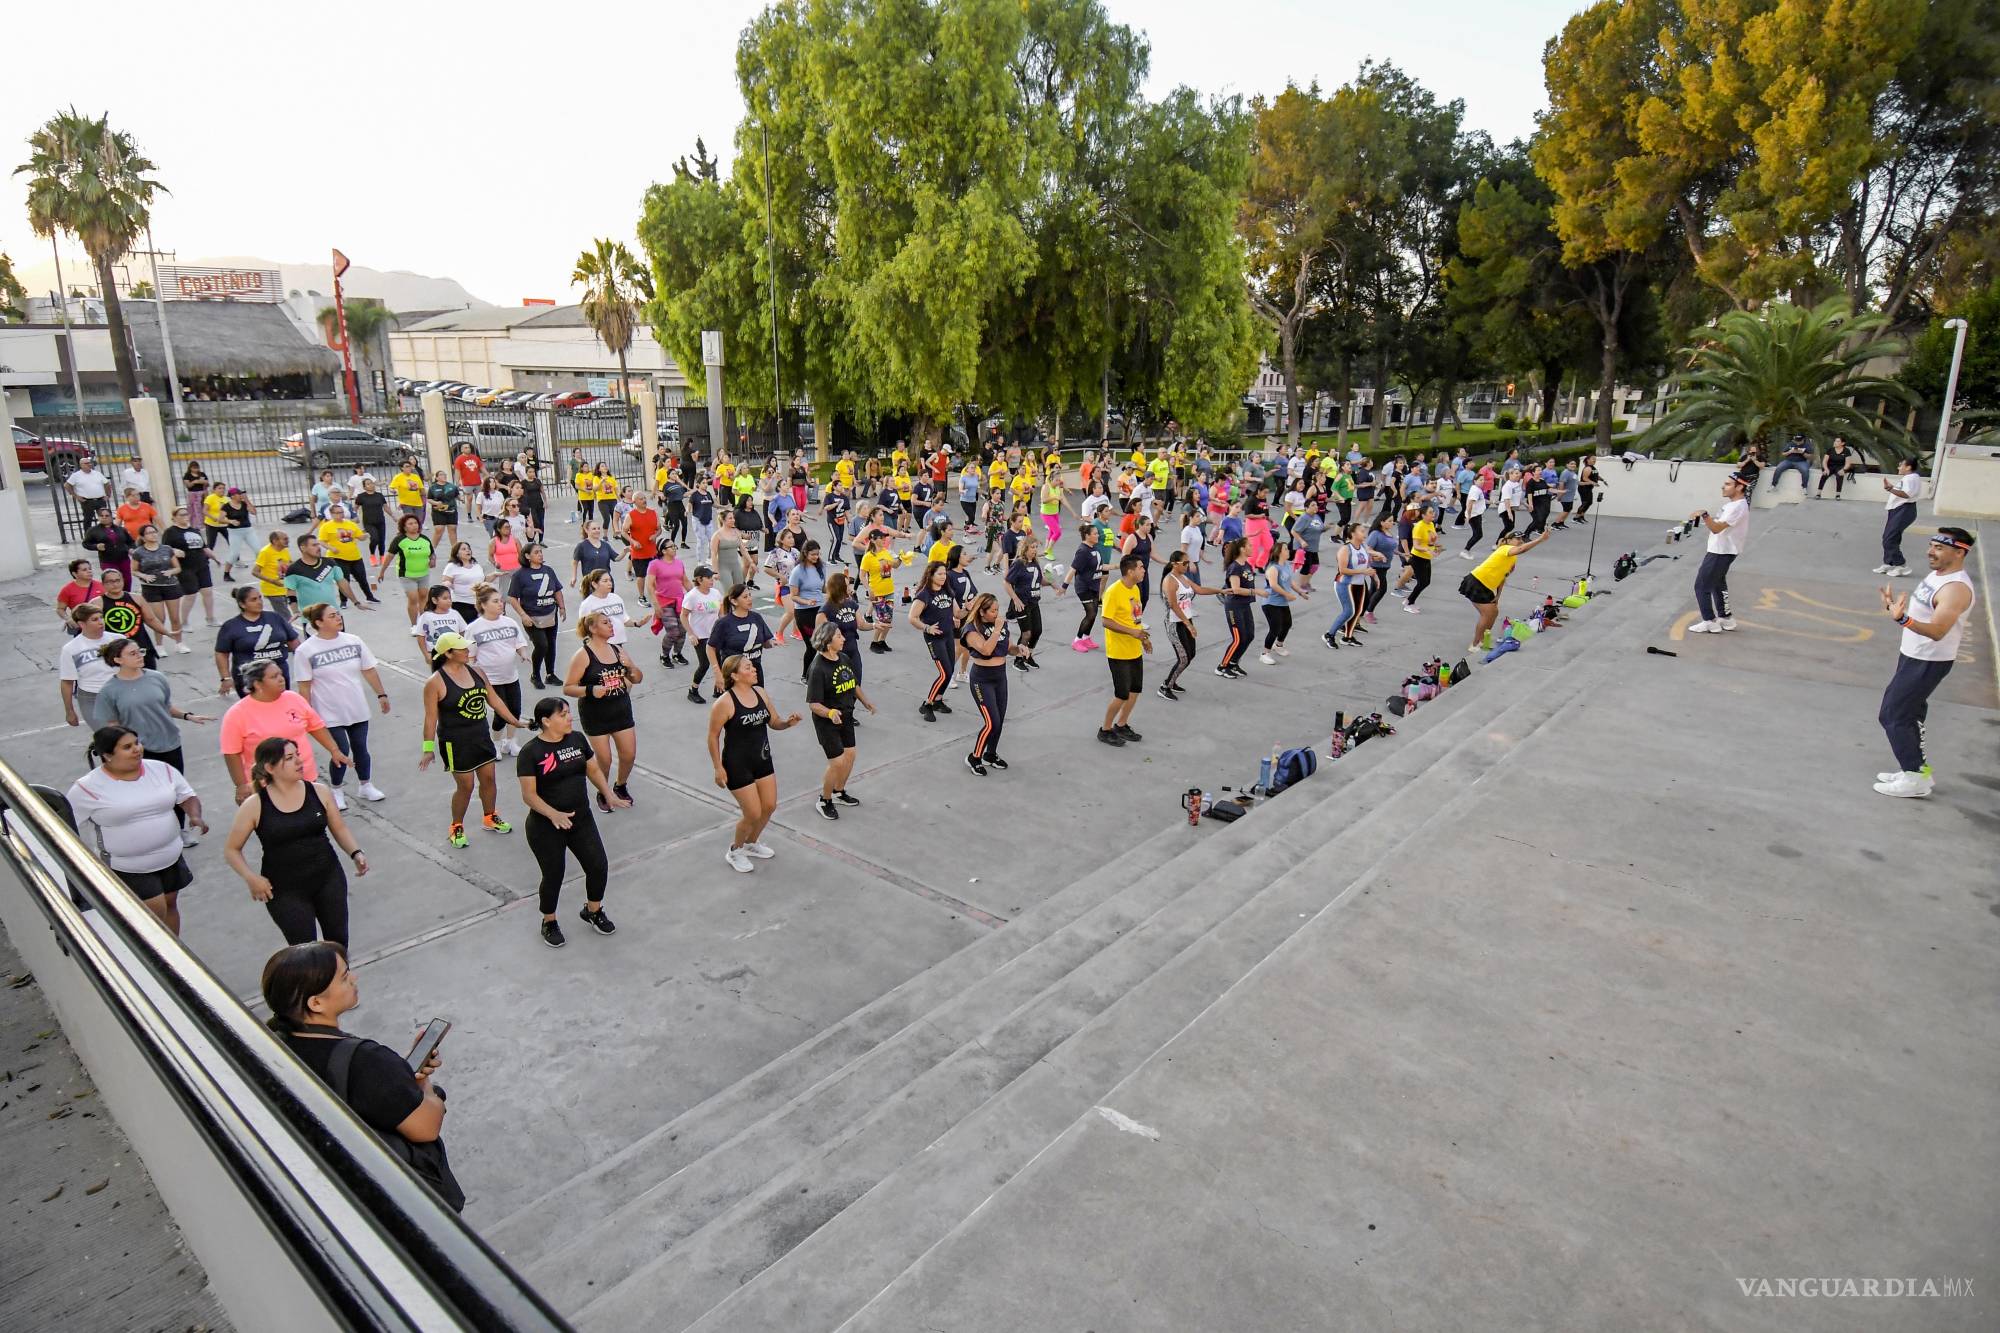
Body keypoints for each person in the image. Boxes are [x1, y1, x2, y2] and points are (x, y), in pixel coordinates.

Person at [260, 942, 460, 1212]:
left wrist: (398, 1075)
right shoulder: (366, 1061)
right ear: (316, 1003)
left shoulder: (274, 1044)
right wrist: (423, 1085)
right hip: (398, 1198)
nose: (354, 978)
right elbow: (426, 1126)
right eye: (344, 977)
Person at [223, 736, 364, 945]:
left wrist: (356, 853)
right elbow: (231, 850)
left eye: (297, 755)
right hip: (285, 889)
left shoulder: (319, 791)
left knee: (338, 942)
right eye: (289, 758)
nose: (299, 761)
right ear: (270, 767)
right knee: (304, 949)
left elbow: (339, 828)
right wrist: (251, 878)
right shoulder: (255, 805)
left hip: (328, 878)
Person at [66, 726, 205, 935]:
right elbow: (67, 823)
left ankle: (173, 953)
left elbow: (187, 796)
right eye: (127, 747)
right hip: (128, 866)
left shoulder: (162, 770)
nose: (137, 749)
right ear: (107, 755)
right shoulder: (87, 788)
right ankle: (156, 958)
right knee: (154, 911)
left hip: (170, 857)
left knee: (170, 903)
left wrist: (195, 816)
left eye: (137, 743)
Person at [1874, 528, 1977, 798]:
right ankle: (1916, 769)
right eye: (1931, 545)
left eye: (1940, 548)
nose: (1931, 552)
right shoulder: (1938, 575)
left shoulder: (1955, 588)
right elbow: (1924, 613)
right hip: (1912, 655)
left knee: (1893, 715)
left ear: (1960, 552)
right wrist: (1896, 610)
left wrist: (1902, 620)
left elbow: (1938, 630)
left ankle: (1915, 777)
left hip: (1928, 661)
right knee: (1909, 714)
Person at [517, 697, 627, 947]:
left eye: (568, 713)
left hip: (581, 818)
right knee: (554, 875)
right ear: (546, 721)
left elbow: (593, 770)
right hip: (546, 826)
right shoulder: (531, 752)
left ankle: (593, 910)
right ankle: (549, 921)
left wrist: (608, 794)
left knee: (598, 865)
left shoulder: (577, 739)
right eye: (563, 714)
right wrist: (553, 814)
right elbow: (529, 795)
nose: (569, 718)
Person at [420, 631, 523, 849]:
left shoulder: (477, 672)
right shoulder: (435, 682)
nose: (468, 651)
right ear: (448, 653)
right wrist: (427, 749)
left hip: (480, 735)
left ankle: (489, 816)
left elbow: (494, 699)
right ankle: (456, 826)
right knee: (465, 786)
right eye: (462, 648)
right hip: (455, 741)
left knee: (489, 780)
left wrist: (515, 721)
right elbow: (430, 719)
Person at [707, 653, 801, 872]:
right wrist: (717, 768)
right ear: (736, 676)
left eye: (753, 667)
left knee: (768, 807)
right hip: (736, 763)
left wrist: (787, 723)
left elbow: (774, 722)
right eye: (748, 668)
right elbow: (713, 736)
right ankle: (735, 850)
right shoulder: (725, 702)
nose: (754, 670)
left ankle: (751, 844)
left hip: (762, 758)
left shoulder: (760, 692)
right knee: (752, 813)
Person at [293, 603, 390, 808]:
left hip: (356, 707)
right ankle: (336, 790)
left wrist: (381, 694)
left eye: (338, 614)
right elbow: (304, 685)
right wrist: (307, 714)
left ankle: (366, 784)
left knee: (360, 748)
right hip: (328, 711)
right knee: (340, 750)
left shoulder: (354, 641)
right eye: (332, 616)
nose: (338, 618)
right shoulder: (306, 650)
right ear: (318, 623)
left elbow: (369, 670)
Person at [96, 637, 211, 788]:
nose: (139, 656)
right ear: (118, 660)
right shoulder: (108, 691)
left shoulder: (157, 677)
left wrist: (188, 716)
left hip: (170, 743)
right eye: (132, 653)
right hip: (140, 749)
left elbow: (165, 706)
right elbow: (112, 724)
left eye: (140, 651)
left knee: (174, 788)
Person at [562, 610, 641, 808]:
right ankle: (603, 791)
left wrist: (630, 666)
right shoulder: (583, 656)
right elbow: (568, 687)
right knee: (604, 760)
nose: (611, 626)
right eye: (606, 623)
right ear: (593, 628)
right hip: (596, 715)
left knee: (628, 755)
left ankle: (620, 786)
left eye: (611, 622)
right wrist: (590, 690)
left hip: (621, 709)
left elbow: (637, 678)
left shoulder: (617, 650)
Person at [805, 620, 874, 812]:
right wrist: (830, 713)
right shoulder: (818, 668)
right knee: (837, 762)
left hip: (846, 716)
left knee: (850, 755)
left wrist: (865, 701)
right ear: (828, 642)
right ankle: (824, 800)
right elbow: (814, 704)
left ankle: (838, 791)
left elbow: (853, 683)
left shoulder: (843, 658)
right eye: (838, 636)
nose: (843, 639)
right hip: (827, 721)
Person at [957, 593, 1025, 776]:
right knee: (991, 722)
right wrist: (996, 630)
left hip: (1000, 677)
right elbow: (986, 650)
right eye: (993, 611)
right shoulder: (971, 630)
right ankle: (975, 757)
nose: (997, 613)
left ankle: (990, 754)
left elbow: (1008, 648)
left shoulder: (1000, 626)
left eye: (997, 610)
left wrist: (1019, 649)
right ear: (982, 612)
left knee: (999, 720)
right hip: (982, 679)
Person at [1459, 528, 1553, 653]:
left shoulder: (1512, 558)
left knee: (1494, 612)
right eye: (1517, 538)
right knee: (1486, 614)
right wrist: (1540, 539)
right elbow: (1522, 549)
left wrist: (1498, 596)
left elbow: (1503, 577)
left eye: (1521, 539)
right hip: (1476, 582)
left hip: (1486, 585)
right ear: (1508, 540)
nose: (1520, 541)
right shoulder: (1505, 549)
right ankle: (1475, 643)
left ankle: (1483, 638)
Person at [467, 586, 531, 758]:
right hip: (491, 680)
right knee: (501, 714)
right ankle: (495, 743)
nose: (500, 604)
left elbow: (519, 643)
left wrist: (523, 654)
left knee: (515, 710)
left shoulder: (509, 623)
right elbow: (470, 657)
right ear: (483, 604)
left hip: (511, 676)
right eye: (495, 601)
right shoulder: (475, 628)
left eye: (500, 601)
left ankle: (510, 742)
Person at [1686, 472, 1751, 635]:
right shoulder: (1735, 505)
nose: (1723, 486)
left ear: (1740, 487)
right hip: (1724, 550)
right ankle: (1726, 618)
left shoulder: (1737, 507)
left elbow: (1716, 529)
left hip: (1721, 552)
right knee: (1717, 583)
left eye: (1728, 484)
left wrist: (1704, 515)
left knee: (1701, 585)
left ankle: (1709, 621)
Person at [1097, 554, 1149, 745]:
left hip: (1134, 649)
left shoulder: (1134, 589)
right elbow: (1105, 621)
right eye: (1141, 567)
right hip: (1118, 651)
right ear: (1130, 571)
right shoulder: (1113, 592)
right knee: (1121, 694)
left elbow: (1135, 618)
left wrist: (1142, 638)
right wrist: (1131, 632)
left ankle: (1122, 724)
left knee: (1135, 690)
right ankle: (1105, 729)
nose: (1144, 570)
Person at [215, 585, 301, 698]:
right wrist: (226, 678)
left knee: (281, 707)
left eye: (260, 598)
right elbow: (221, 653)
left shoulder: (275, 618)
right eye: (253, 599)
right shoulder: (231, 626)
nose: (259, 602)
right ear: (242, 604)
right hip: (250, 678)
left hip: (278, 674)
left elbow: (294, 643)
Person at [508, 543, 567, 688]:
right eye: (536, 552)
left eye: (541, 552)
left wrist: (562, 606)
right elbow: (512, 597)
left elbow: (557, 590)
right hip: (532, 616)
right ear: (527, 556)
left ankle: (550, 674)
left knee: (551, 644)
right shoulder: (519, 575)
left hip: (549, 613)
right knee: (542, 645)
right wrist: (523, 615)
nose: (540, 554)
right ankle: (535, 675)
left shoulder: (549, 571)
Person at [1158, 550, 1214, 699]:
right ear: (1174, 564)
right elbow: (1173, 605)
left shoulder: (1183, 578)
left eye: (1188, 562)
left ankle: (1172, 681)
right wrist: (1188, 625)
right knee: (1183, 658)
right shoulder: (1169, 580)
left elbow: (1200, 590)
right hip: (1174, 623)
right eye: (1185, 563)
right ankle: (1165, 687)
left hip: (1186, 620)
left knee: (1191, 654)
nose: (1187, 565)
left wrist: (1221, 590)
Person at [59, 602, 126, 729]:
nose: (101, 622)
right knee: (108, 737)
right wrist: (69, 711)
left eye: (101, 617)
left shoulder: (118, 640)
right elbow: (67, 682)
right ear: (82, 624)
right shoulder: (71, 649)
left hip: (122, 693)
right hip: (92, 698)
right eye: (94, 619)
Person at [908, 562, 958, 722]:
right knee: (945, 673)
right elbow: (912, 618)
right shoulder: (924, 594)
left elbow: (958, 613)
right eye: (940, 574)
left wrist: (967, 609)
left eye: (945, 574)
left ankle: (938, 700)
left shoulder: (948, 591)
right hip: (934, 639)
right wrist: (927, 628)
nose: (944, 577)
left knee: (950, 671)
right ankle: (927, 704)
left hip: (948, 635)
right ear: (931, 575)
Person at [163, 505, 218, 628]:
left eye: (186, 514)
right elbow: (165, 548)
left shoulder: (194, 530)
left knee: (207, 591)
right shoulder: (170, 532)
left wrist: (214, 558)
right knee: (191, 594)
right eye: (181, 515)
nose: (185, 517)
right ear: (174, 518)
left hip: (202, 564)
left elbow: (203, 547)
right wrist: (174, 551)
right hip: (185, 567)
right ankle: (185, 622)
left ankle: (210, 618)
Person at [681, 566, 726, 702]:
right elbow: (683, 616)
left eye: (712, 577)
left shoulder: (716, 593)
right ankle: (693, 690)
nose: (712, 580)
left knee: (720, 662)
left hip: (715, 634)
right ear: (699, 579)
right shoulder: (692, 596)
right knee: (705, 664)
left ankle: (718, 690)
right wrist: (691, 634)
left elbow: (721, 613)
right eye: (709, 578)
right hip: (700, 636)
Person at [643, 539, 690, 668]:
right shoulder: (655, 564)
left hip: (680, 601)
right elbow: (650, 585)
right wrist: (655, 604)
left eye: (675, 546)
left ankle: (677, 654)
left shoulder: (679, 563)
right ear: (663, 551)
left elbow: (685, 581)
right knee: (673, 631)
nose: (675, 548)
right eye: (671, 547)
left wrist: (696, 596)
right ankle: (664, 655)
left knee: (682, 630)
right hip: (664, 602)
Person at [1214, 538, 1257, 676]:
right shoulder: (1235, 568)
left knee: (1249, 635)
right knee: (1238, 638)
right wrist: (1256, 592)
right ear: (1242, 549)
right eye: (1249, 545)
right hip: (1234, 606)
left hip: (1245, 605)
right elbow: (1236, 589)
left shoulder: (1246, 565)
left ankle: (1233, 663)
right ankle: (1222, 666)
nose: (1252, 547)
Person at [1003, 534, 1046, 670]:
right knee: (1026, 633)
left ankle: (1028, 655)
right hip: (1022, 604)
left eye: (1036, 547)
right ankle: (1018, 659)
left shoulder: (1035, 563)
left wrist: (1054, 583)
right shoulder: (1019, 563)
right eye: (1032, 547)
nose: (1035, 550)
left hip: (1034, 602)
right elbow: (1006, 582)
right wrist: (1015, 599)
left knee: (1037, 630)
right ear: (1025, 548)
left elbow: (1040, 581)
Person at [318, 504, 377, 603]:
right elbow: (321, 541)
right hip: (338, 557)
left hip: (354, 556)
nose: (340, 515)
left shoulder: (350, 524)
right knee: (344, 580)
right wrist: (331, 548)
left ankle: (369, 597)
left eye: (341, 512)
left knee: (362, 578)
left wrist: (367, 535)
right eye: (337, 513)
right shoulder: (326, 526)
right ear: (332, 514)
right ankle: (343, 601)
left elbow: (360, 537)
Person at [1874, 458, 1923, 577]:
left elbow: (1907, 494)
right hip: (1897, 510)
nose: (1898, 467)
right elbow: (1903, 492)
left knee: (1889, 538)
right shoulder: (1909, 478)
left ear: (1908, 467)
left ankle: (1901, 565)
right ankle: (1889, 563)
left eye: (1901, 465)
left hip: (1904, 510)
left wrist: (1891, 489)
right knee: (1889, 537)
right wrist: (1891, 488)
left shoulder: (1910, 478)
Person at [1258, 535, 1302, 664]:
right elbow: (1273, 585)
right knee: (1275, 628)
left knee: (1287, 624)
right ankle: (1264, 653)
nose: (1288, 551)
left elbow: (1290, 581)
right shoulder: (1273, 568)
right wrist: (1288, 595)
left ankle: (1278, 645)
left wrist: (1300, 592)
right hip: (1270, 602)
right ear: (1279, 552)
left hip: (1282, 602)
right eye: (1286, 549)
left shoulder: (1286, 565)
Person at [389, 514, 436, 624]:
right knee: (413, 598)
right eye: (410, 524)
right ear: (404, 527)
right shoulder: (400, 540)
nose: (414, 526)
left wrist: (433, 560)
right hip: (407, 574)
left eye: (415, 523)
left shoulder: (424, 539)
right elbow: (389, 556)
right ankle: (414, 625)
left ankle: (424, 623)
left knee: (424, 596)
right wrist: (382, 572)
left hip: (423, 573)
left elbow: (432, 553)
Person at [411, 585, 468, 666]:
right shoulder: (427, 616)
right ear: (434, 600)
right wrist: (426, 655)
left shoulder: (455, 613)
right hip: (436, 653)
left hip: (454, 653)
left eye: (449, 598)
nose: (449, 601)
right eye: (445, 598)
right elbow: (420, 636)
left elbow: (463, 631)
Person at [82, 506, 135, 585]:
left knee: (126, 580)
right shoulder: (93, 530)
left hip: (123, 559)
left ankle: (126, 595)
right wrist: (96, 546)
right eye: (101, 516)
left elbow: (130, 542)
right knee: (113, 580)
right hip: (107, 560)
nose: (104, 518)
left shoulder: (120, 529)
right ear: (98, 518)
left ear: (111, 517)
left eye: (107, 516)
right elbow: (85, 543)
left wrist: (131, 549)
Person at [1404, 504, 1440, 614]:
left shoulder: (1431, 524)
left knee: (1426, 582)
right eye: (1430, 512)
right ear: (1423, 515)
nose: (1433, 514)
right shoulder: (1419, 526)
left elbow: (1431, 540)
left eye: (1433, 512)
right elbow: (1416, 545)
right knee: (1422, 582)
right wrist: (1427, 550)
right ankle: (1409, 603)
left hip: (1426, 557)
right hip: (1417, 558)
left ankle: (1409, 600)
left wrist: (1436, 548)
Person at [438, 541, 484, 623]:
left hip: (478, 601)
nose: (468, 551)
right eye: (464, 549)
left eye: (469, 549)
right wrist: (447, 583)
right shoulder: (452, 566)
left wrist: (494, 575)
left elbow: (482, 580)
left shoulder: (476, 565)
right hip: (461, 602)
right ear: (457, 553)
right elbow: (445, 581)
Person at [55, 558, 103, 632]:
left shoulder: (101, 586)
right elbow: (60, 609)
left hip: (101, 624)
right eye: (84, 570)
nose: (89, 571)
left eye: (90, 568)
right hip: (82, 627)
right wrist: (68, 619)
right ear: (74, 574)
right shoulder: (68, 589)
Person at [66, 456, 112, 529]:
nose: (89, 464)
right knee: (88, 520)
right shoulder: (76, 475)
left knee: (105, 518)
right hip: (87, 501)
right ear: (81, 465)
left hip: (100, 500)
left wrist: (108, 495)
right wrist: (76, 496)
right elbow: (67, 485)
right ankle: (88, 536)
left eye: (90, 463)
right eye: (86, 463)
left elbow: (107, 484)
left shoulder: (97, 473)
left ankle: (107, 534)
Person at [426, 469, 460, 547]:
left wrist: (460, 498)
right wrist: (436, 503)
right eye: (441, 474)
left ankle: (454, 550)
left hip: (451, 510)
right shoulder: (433, 488)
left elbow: (457, 495)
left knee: (452, 529)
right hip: (438, 511)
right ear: (437, 478)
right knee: (439, 530)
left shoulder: (452, 486)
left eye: (444, 474)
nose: (444, 476)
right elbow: (429, 499)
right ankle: (432, 549)